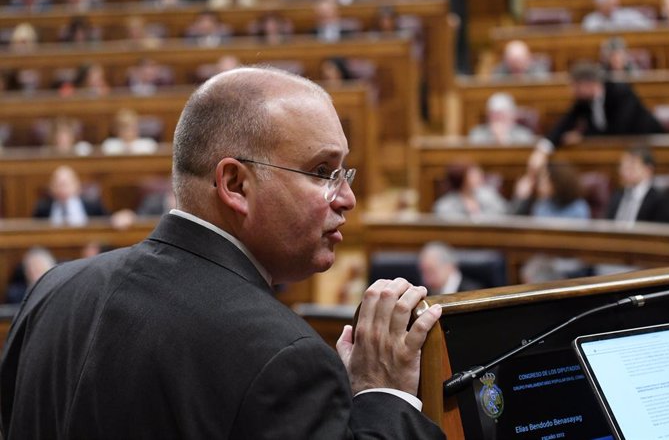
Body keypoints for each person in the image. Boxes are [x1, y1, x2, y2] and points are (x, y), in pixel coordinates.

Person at [0, 67, 444, 439]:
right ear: (234, 185)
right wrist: (384, 398)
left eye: (343, 172)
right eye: (322, 172)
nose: (346, 198)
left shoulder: (51, 291)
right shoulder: (283, 356)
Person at [528, 61, 664, 172]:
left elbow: (618, 129)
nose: (572, 91)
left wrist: (584, 136)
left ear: (588, 84)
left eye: (575, 86)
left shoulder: (621, 92)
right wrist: (543, 149)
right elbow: (565, 122)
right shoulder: (583, 101)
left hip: (649, 140)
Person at [605, 146, 669, 223]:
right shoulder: (617, 195)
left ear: (648, 170)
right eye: (623, 166)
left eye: (631, 166)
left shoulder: (660, 200)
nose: (624, 171)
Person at [32, 165, 108, 226]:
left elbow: (108, 223)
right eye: (58, 185)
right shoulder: (43, 207)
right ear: (51, 187)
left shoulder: (92, 204)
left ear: (76, 185)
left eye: (65, 184)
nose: (62, 189)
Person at [433, 161, 508, 217]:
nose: (479, 175)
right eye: (473, 174)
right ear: (461, 178)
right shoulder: (445, 205)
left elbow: (506, 214)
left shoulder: (488, 194)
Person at [468, 92, 536, 145]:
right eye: (493, 114)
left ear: (511, 115)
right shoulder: (477, 134)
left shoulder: (523, 135)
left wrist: (504, 139)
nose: (497, 119)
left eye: (501, 114)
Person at [582, 0, 654, 31]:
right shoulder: (591, 20)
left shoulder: (627, 15)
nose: (614, 3)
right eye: (608, 0)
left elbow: (649, 27)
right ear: (599, 4)